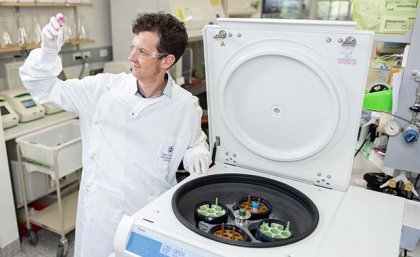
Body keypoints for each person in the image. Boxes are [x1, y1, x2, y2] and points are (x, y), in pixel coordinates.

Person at [19, 12, 211, 257]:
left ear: (167, 61)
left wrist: (197, 152)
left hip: (148, 218)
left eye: (142, 52)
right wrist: (47, 51)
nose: (131, 57)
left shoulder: (185, 106)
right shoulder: (102, 89)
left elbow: (194, 143)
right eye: (133, 48)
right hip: (100, 217)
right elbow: (42, 87)